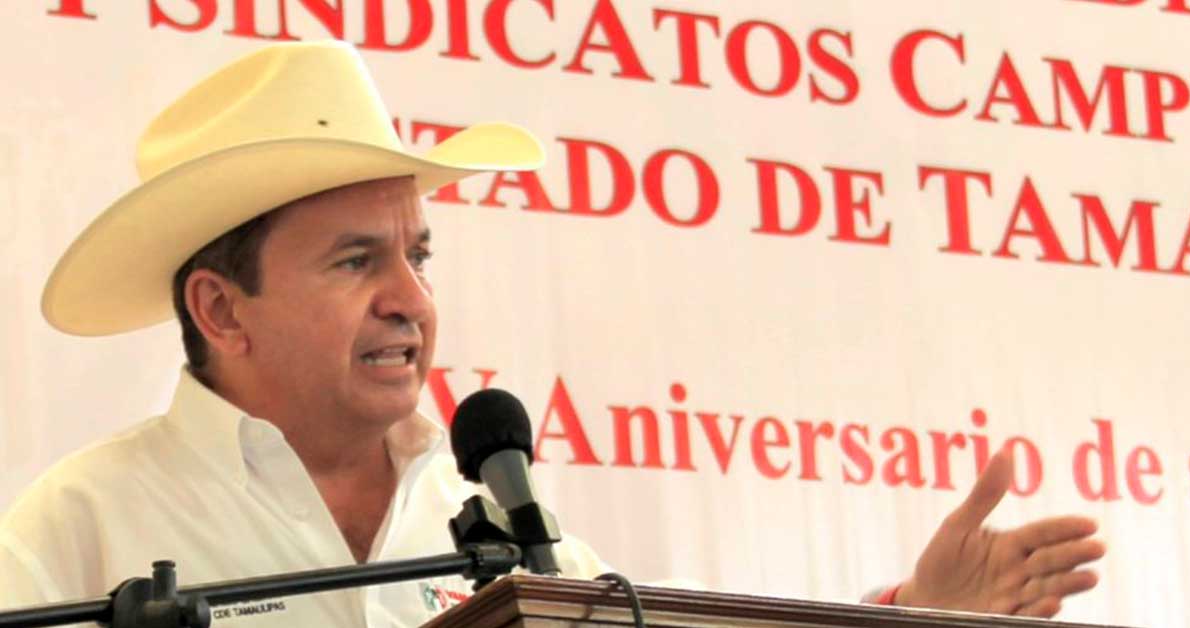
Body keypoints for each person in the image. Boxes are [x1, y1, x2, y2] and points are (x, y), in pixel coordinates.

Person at [0, 41, 1105, 626]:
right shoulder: (85, 525)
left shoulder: (500, 515)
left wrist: (919, 620)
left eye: (417, 255)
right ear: (220, 308)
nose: (410, 299)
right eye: (355, 260)